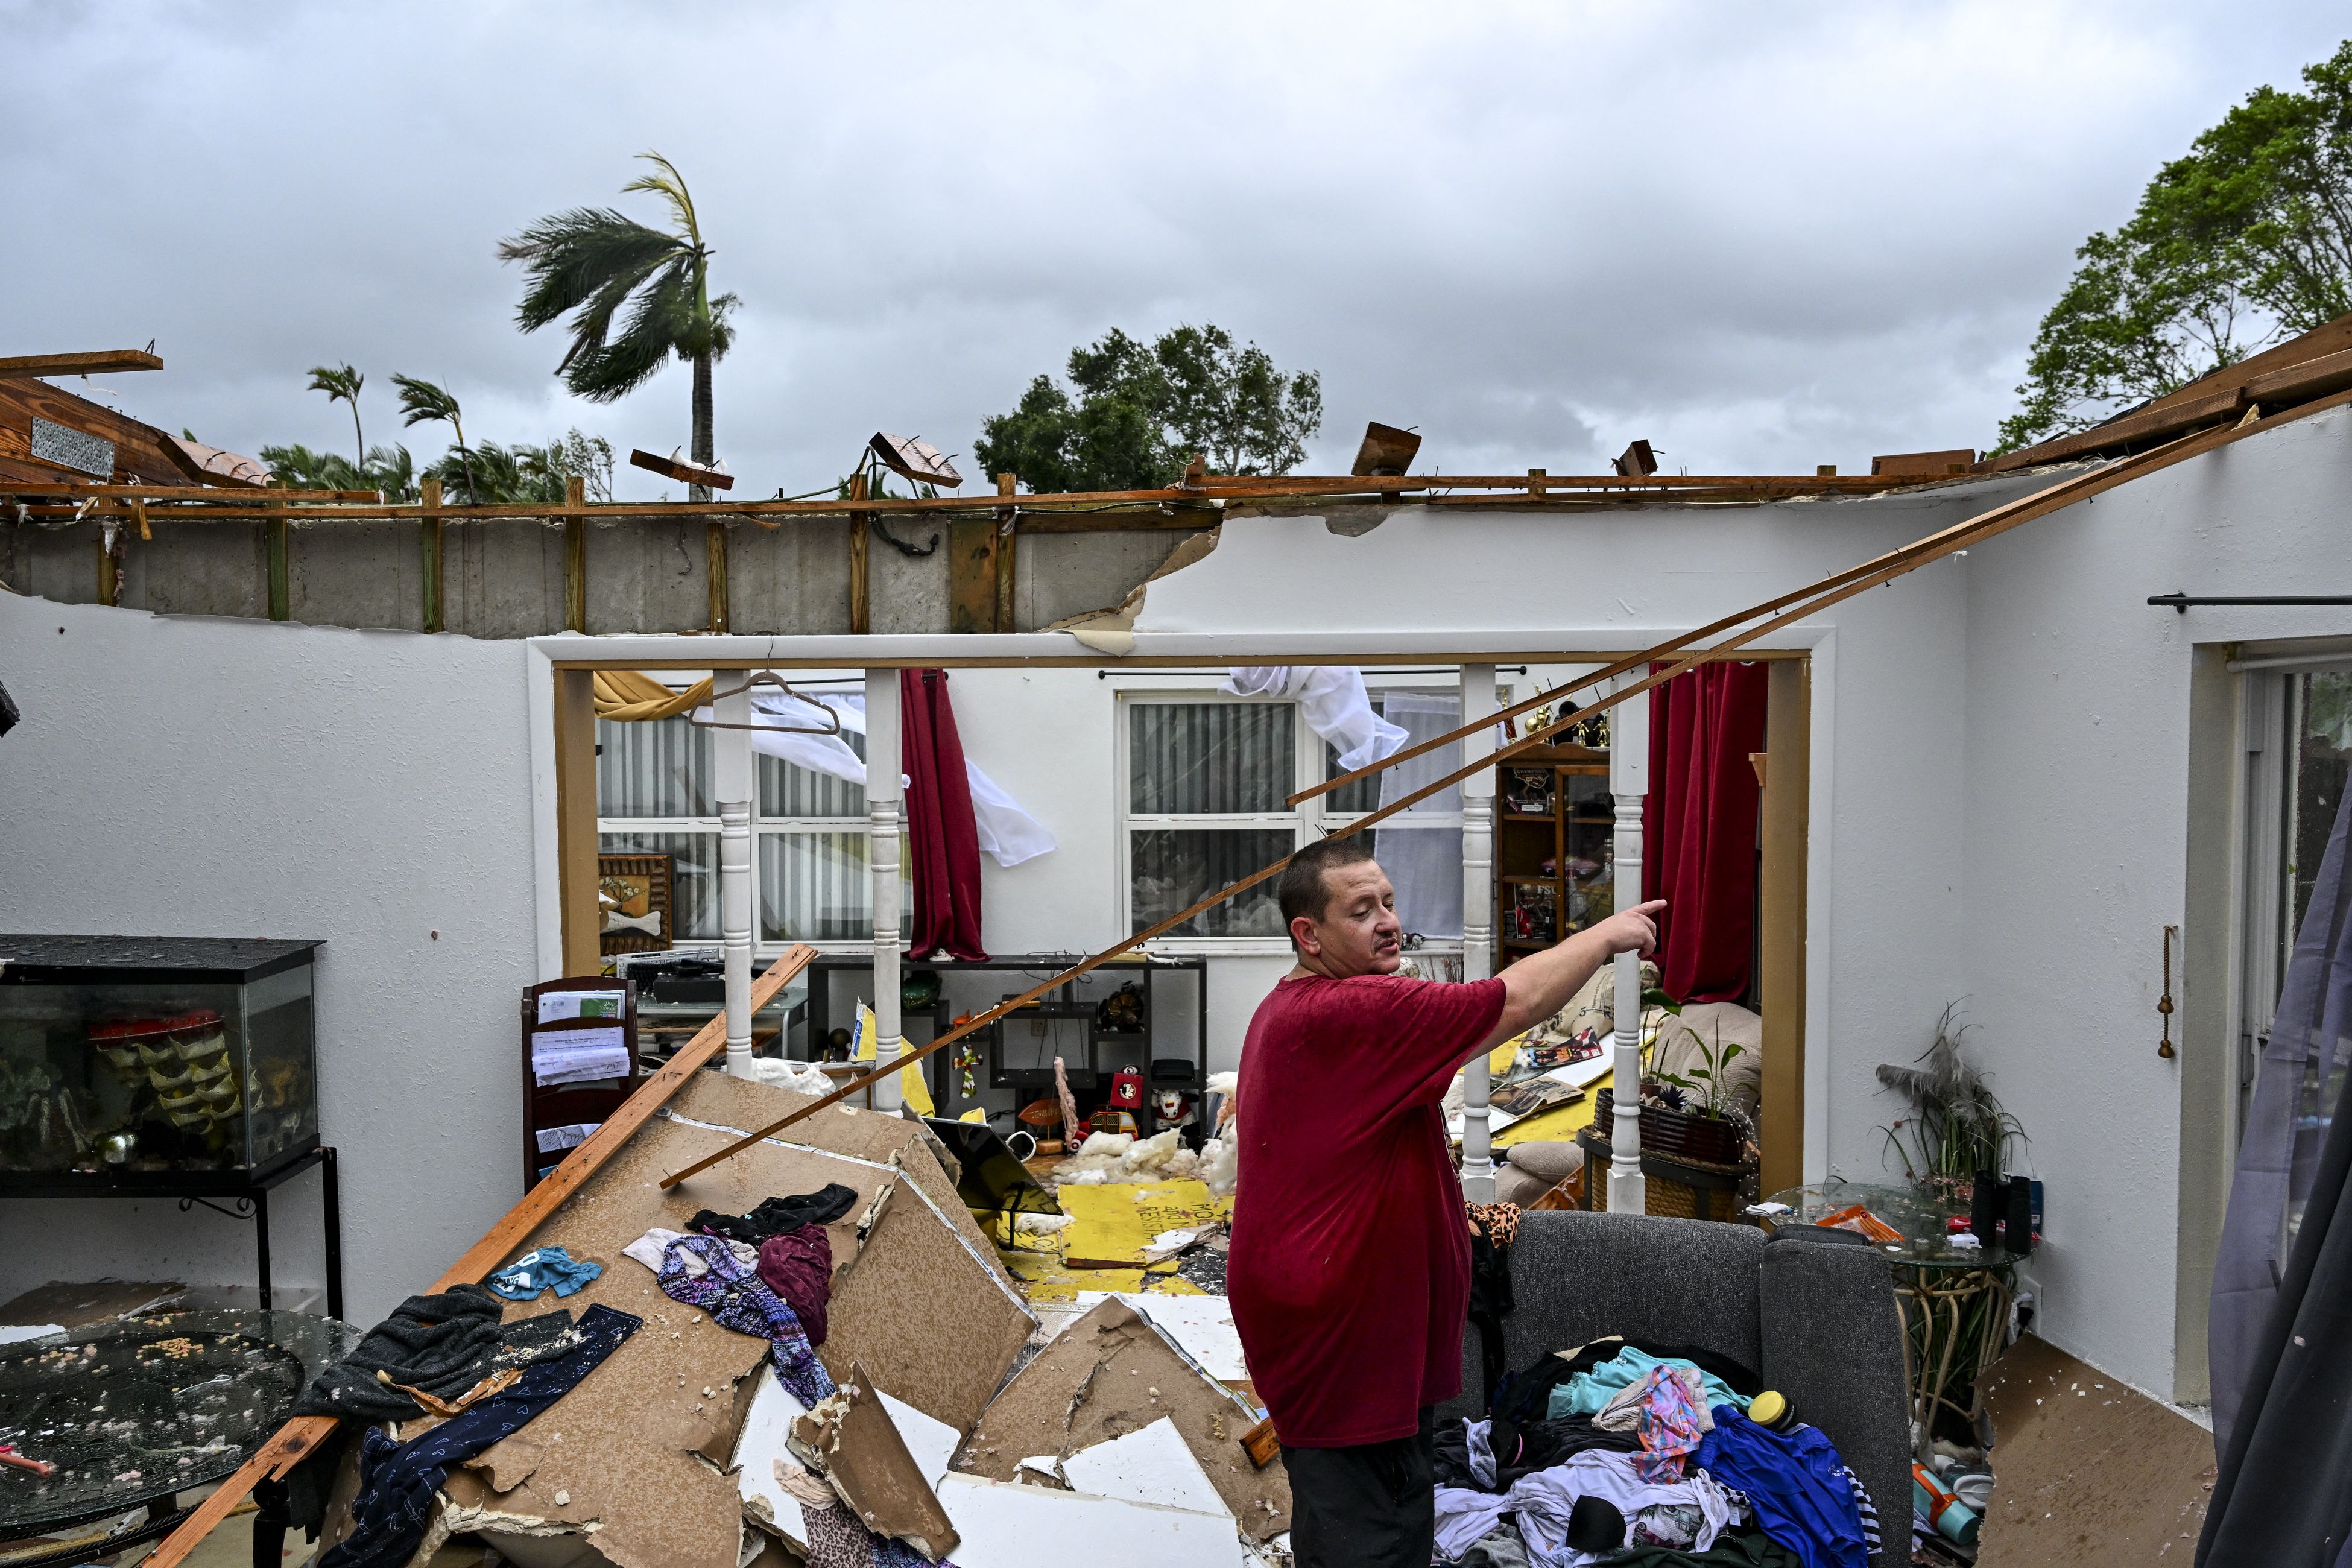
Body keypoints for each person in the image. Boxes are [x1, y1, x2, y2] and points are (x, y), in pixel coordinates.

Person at [1225, 835, 1664, 1568]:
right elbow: (1514, 998)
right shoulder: (1351, 1010)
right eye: (1361, 910)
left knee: (1361, 1515)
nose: (1388, 921)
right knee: (1371, 1534)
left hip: (1342, 1325)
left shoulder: (1308, 1006)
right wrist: (1608, 934)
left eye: (1390, 903)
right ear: (1309, 935)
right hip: (1343, 1337)